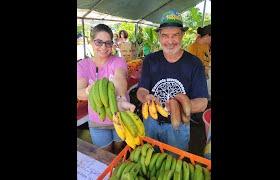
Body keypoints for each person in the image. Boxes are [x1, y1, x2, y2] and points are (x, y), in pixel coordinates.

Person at [136, 9, 209, 152]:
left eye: (175, 35)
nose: (170, 41)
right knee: (149, 160)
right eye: (165, 35)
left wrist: (177, 106)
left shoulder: (194, 63)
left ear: (182, 35)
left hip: (179, 124)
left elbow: (202, 102)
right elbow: (141, 90)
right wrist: (146, 97)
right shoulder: (150, 60)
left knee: (173, 164)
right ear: (159, 36)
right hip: (150, 121)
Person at [77, 24, 136, 154]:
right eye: (99, 42)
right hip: (98, 120)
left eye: (108, 43)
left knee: (119, 150)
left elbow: (120, 78)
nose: (103, 47)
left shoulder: (118, 61)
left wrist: (120, 98)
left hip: (120, 115)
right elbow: (79, 92)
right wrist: (88, 91)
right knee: (105, 154)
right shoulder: (82, 66)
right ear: (91, 42)